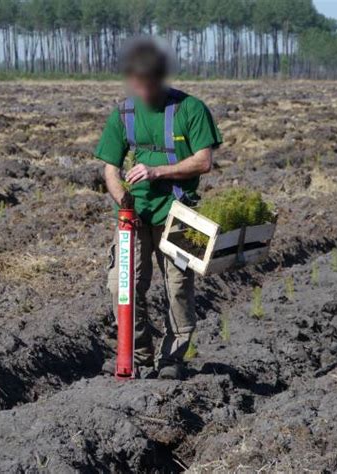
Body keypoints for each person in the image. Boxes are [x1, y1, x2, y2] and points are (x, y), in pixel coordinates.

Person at [95, 38, 222, 380]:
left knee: (178, 286)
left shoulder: (191, 109)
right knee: (120, 283)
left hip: (181, 212)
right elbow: (109, 168)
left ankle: (172, 358)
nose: (142, 88)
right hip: (134, 216)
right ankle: (136, 355)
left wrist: (158, 171)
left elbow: (204, 161)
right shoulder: (123, 113)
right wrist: (124, 202)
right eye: (136, 81)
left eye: (149, 81)